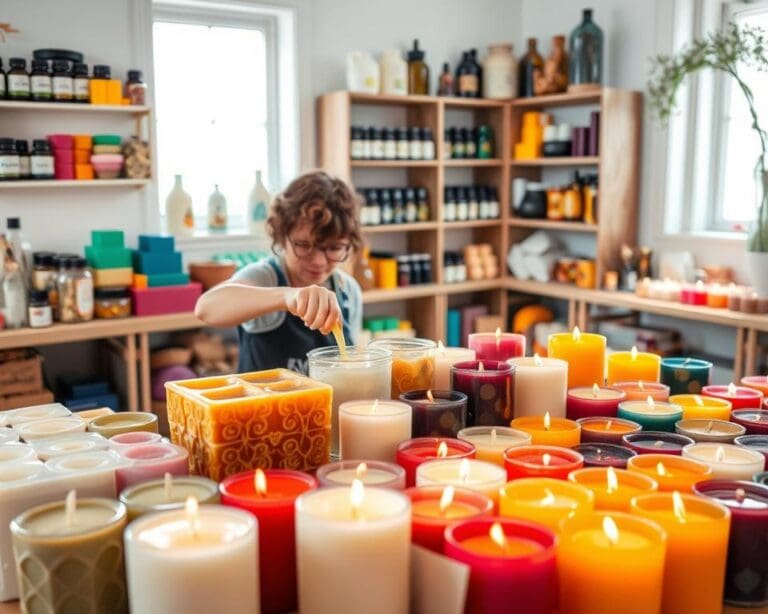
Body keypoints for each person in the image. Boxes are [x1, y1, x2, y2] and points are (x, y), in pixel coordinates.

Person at [195, 171, 363, 373]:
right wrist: (287, 296)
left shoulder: (348, 291)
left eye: (334, 248)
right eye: (303, 244)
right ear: (282, 236)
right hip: (262, 404)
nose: (318, 261)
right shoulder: (265, 277)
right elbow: (206, 308)